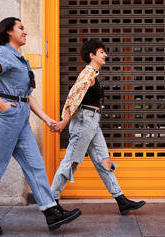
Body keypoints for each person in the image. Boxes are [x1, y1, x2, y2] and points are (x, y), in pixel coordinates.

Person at [0, 17, 81, 235]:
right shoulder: (2, 52)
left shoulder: (20, 59)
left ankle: (51, 212)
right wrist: (1, 105)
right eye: (21, 28)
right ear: (8, 31)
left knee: (35, 164)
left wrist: (46, 118)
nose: (25, 32)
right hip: (4, 116)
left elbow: (27, 96)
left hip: (19, 117)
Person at [51, 39, 146, 215]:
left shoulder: (93, 74)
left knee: (104, 161)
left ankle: (121, 200)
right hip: (84, 121)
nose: (105, 55)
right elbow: (73, 98)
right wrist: (64, 121)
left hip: (92, 122)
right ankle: (52, 202)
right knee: (71, 161)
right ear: (92, 55)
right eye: (102, 52)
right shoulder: (87, 74)